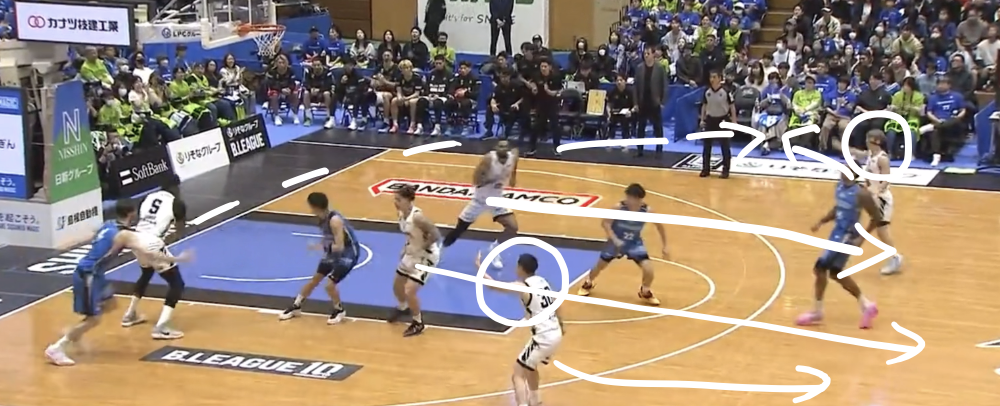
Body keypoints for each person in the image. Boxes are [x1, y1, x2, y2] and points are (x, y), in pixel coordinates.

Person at [45, 200, 192, 366]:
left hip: (96, 273)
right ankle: (58, 347)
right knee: (94, 319)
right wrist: (178, 258)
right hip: (89, 274)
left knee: (110, 304)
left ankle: (75, 332)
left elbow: (97, 239)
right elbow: (150, 252)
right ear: (132, 213)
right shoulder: (124, 235)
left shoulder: (108, 225)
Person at [795, 168, 880, 329]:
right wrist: (822, 221)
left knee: (820, 268)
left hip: (847, 235)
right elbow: (838, 208)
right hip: (837, 233)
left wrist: (862, 238)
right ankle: (866, 305)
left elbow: (876, 217)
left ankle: (817, 311)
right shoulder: (839, 186)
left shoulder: (862, 193)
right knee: (836, 273)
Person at [475, 253, 563, 406]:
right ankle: (535, 401)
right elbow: (557, 304)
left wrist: (478, 266)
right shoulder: (543, 282)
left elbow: (493, 285)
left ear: (520, 268)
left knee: (517, 373)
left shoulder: (523, 286)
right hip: (555, 333)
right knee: (530, 367)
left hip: (543, 338)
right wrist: (561, 324)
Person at [576, 184, 668, 306]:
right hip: (615, 243)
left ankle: (645, 291)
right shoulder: (618, 208)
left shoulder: (647, 211)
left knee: (648, 269)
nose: (628, 200)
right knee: (599, 267)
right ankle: (588, 282)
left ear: (639, 199)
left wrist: (665, 246)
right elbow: (605, 223)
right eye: (628, 197)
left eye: (631, 198)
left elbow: (660, 226)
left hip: (634, 243)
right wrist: (614, 239)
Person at [121, 175, 188, 339]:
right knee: (177, 284)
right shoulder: (176, 203)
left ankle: (130, 315)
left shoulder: (148, 197)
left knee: (146, 272)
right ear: (175, 187)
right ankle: (161, 327)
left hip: (136, 239)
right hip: (152, 242)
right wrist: (168, 239)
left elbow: (143, 219)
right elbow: (180, 230)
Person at [278, 192, 361, 324]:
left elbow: (339, 246)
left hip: (349, 252)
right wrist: (324, 245)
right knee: (315, 279)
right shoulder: (322, 219)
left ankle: (339, 310)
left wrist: (319, 247)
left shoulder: (335, 221)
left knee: (329, 284)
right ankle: (296, 305)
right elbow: (328, 237)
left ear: (314, 207)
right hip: (333, 250)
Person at [441, 141, 520, 268]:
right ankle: (440, 250)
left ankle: (494, 250)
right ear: (495, 148)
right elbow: (476, 180)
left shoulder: (513, 157)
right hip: (480, 200)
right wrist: (492, 180)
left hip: (496, 200)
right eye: (500, 146)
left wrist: (513, 178)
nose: (503, 148)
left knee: (512, 227)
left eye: (505, 146)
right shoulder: (489, 159)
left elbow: (514, 164)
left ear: (508, 149)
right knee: (459, 229)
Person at [386, 185, 442, 337]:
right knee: (397, 286)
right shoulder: (401, 214)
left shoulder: (418, 217)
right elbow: (411, 234)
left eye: (399, 199)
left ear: (409, 200)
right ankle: (403, 307)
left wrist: (422, 247)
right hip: (411, 253)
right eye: (395, 199)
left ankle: (418, 322)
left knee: (409, 290)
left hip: (426, 256)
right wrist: (406, 247)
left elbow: (436, 234)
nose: (395, 202)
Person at [851, 130, 903, 275]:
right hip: (873, 197)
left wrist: (877, 191)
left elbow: (886, 179)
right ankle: (859, 241)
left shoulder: (882, 158)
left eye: (868, 139)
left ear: (877, 141)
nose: (866, 141)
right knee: (876, 226)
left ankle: (895, 257)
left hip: (882, 199)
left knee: (882, 232)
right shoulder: (871, 155)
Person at [699, 71, 736, 178]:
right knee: (706, 146)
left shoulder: (726, 91)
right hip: (710, 119)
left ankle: (726, 170)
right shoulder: (707, 91)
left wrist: (734, 121)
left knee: (725, 146)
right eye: (711, 77)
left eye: (714, 77)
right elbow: (704, 106)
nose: (712, 79)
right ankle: (705, 169)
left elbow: (732, 106)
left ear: (720, 78)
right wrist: (702, 119)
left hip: (722, 120)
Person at [632, 47, 668, 157]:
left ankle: (659, 149)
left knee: (658, 128)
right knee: (641, 127)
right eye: (644, 53)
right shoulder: (639, 68)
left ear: (653, 54)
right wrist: (635, 103)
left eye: (648, 53)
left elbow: (664, 86)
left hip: (655, 102)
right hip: (643, 101)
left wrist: (662, 101)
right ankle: (640, 150)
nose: (646, 55)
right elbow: (635, 87)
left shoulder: (660, 68)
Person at [302, 58, 334, 128]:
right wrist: (310, 89)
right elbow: (305, 83)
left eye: (318, 65)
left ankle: (328, 117)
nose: (316, 67)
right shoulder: (308, 71)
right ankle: (308, 117)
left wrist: (319, 90)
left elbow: (329, 85)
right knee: (306, 93)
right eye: (314, 65)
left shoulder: (327, 72)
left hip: (323, 92)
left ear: (322, 65)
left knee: (327, 94)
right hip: (312, 92)